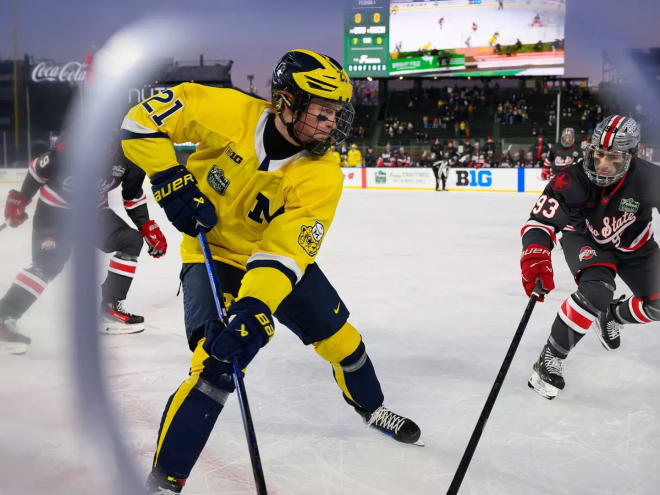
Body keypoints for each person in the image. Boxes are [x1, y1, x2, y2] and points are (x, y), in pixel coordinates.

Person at [120, 48, 422, 494]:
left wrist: (254, 307)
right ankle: (162, 485)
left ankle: (372, 407)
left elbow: (283, 252)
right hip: (212, 253)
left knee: (343, 341)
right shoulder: (227, 110)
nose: (332, 124)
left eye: (337, 113)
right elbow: (140, 122)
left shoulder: (323, 174)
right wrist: (169, 177)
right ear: (285, 104)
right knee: (215, 365)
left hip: (272, 263)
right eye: (321, 112)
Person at [521, 115, 660, 400]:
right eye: (598, 155)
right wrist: (535, 255)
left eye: (614, 159)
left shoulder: (650, 178)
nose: (602, 165)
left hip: (637, 246)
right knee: (597, 290)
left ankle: (615, 315)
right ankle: (550, 357)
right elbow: (539, 222)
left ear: (631, 156)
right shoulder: (571, 177)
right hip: (585, 236)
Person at [0, 135, 167, 354]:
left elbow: (133, 196)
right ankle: (4, 317)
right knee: (48, 265)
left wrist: (146, 226)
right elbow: (37, 170)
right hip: (55, 213)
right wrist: (20, 198)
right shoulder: (69, 149)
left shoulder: (129, 154)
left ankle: (110, 309)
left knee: (130, 241)